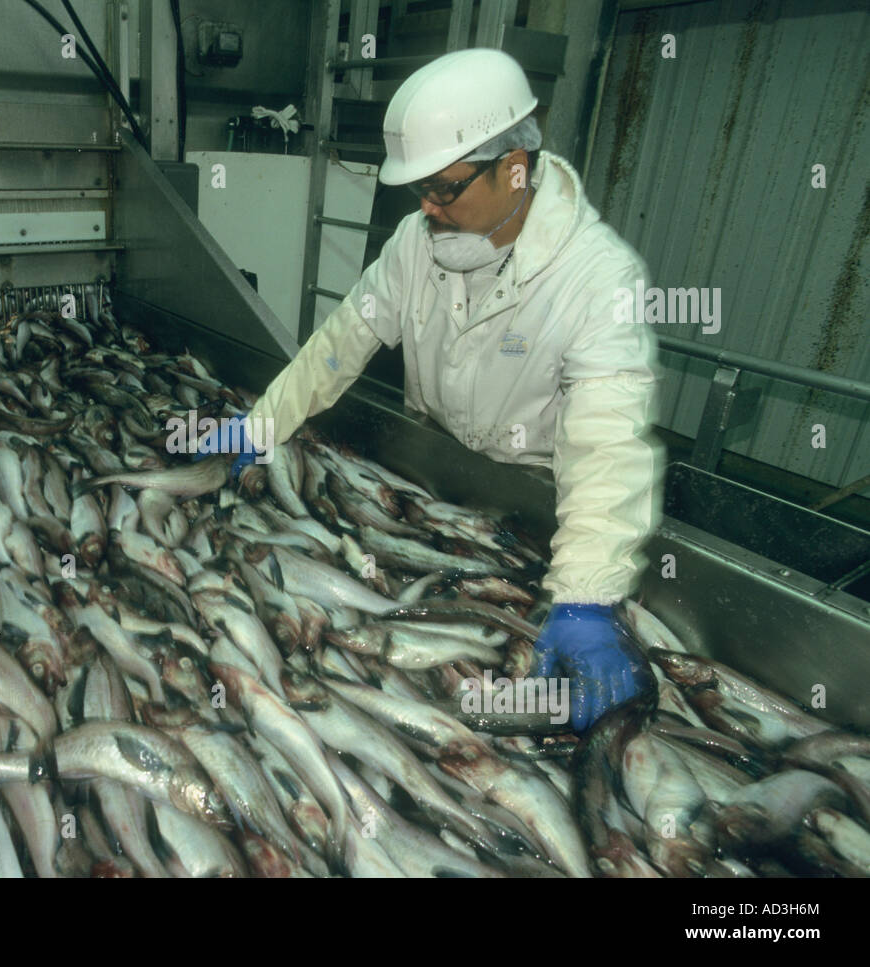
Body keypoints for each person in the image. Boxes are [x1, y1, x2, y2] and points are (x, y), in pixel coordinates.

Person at [196, 48, 663, 732]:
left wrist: (587, 596)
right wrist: (263, 422)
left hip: (534, 518)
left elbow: (609, 445)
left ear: (514, 168)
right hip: (425, 489)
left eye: (445, 188)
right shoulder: (417, 243)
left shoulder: (599, 280)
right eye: (419, 190)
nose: (427, 207)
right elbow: (339, 344)